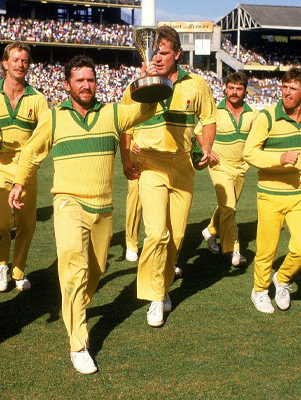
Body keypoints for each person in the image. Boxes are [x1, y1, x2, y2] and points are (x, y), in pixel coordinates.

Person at [9, 55, 156, 374]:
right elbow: (32, 152)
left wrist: (146, 82)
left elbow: (146, 110)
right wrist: (20, 182)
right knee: (74, 266)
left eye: (91, 79)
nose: (86, 85)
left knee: (95, 270)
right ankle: (79, 343)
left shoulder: (112, 113)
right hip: (67, 202)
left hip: (102, 208)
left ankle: (74, 306)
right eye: (80, 80)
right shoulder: (54, 117)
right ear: (67, 85)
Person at [120, 25, 218, 328]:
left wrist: (207, 148)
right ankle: (154, 297)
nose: (158, 58)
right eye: (154, 53)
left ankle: (161, 287)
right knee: (156, 234)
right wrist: (126, 158)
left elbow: (209, 118)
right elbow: (124, 124)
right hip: (150, 164)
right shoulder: (138, 83)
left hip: (183, 168)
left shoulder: (196, 84)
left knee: (174, 238)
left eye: (163, 53)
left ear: (177, 54)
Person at [244, 67, 301, 313]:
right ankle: (259, 291)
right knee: (266, 249)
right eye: (284, 86)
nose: (286, 92)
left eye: (293, 88)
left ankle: (281, 280)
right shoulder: (267, 117)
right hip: (270, 193)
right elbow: (249, 152)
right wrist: (279, 158)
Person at [0, 42, 49, 292]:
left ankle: (18, 269)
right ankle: (1, 263)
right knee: (0, 220)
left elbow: (43, 136)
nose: (20, 64)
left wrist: (29, 163)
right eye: (15, 59)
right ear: (4, 63)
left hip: (26, 168)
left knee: (26, 225)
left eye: (24, 60)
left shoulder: (38, 99)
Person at [199, 71, 258, 266]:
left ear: (244, 91)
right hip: (219, 166)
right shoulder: (214, 111)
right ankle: (234, 250)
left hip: (241, 168)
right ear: (225, 88)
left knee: (227, 207)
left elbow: (259, 138)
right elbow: (199, 132)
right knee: (230, 207)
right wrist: (206, 148)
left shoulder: (253, 114)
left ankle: (210, 231)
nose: (234, 92)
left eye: (238, 88)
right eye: (231, 87)